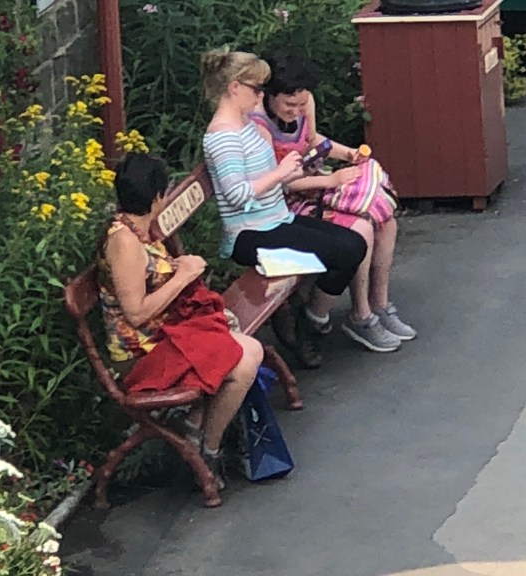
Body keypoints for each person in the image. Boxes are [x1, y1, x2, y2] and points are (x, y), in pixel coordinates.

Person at [97, 153, 263, 489]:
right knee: (245, 360)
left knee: (248, 349)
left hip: (166, 336)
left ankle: (197, 428)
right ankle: (206, 450)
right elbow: (136, 313)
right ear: (157, 197)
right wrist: (183, 275)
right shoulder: (124, 242)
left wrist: (180, 268)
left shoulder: (139, 229)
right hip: (141, 354)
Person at [200, 48, 367, 363]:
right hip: (250, 234)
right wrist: (280, 174)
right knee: (346, 250)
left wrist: (294, 171)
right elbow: (237, 194)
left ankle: (307, 315)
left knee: (354, 243)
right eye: (256, 89)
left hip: (277, 218)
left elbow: (266, 175)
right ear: (235, 88)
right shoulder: (223, 137)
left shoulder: (245, 124)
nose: (261, 96)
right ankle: (303, 323)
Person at [248, 52, 416, 352]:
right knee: (362, 227)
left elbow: (313, 140)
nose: (297, 111)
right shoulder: (259, 126)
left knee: (386, 222)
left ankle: (379, 305)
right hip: (286, 200)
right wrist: (331, 181)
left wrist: (349, 154)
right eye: (289, 105)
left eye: (302, 104)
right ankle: (360, 315)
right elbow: (279, 181)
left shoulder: (305, 103)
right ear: (269, 96)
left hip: (314, 183)